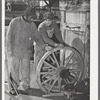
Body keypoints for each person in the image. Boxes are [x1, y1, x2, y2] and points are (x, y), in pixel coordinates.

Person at [6, 7, 45, 95]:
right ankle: (14, 87)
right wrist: (9, 51)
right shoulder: (15, 22)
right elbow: (8, 37)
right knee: (14, 69)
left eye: (33, 17)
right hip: (15, 51)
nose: (32, 19)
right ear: (26, 15)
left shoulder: (32, 25)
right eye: (31, 17)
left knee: (26, 70)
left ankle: (26, 86)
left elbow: (37, 38)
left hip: (26, 52)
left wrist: (44, 46)